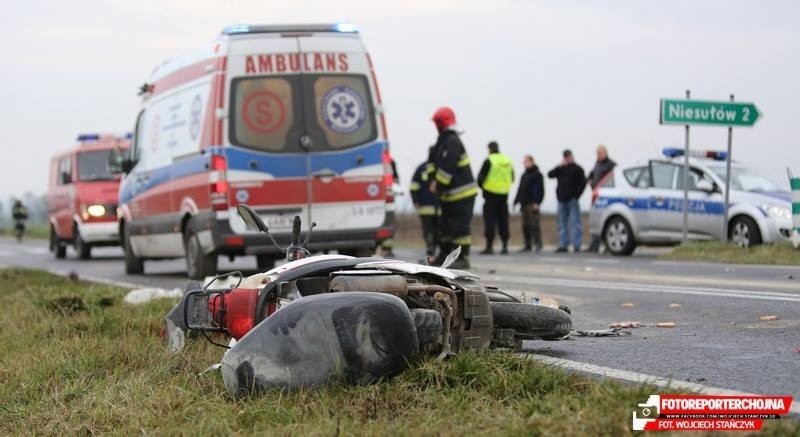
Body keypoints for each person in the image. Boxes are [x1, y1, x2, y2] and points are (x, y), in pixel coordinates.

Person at [427, 106, 478, 269]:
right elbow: (434, 164)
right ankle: (444, 256)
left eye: (437, 122)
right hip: (449, 195)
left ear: (443, 123)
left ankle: (463, 258)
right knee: (445, 228)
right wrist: (432, 180)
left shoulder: (452, 142)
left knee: (459, 229)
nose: (436, 125)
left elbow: (447, 168)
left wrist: (438, 183)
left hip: (462, 195)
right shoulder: (443, 142)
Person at [477, 141, 514, 255]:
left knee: (490, 221)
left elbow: (480, 178)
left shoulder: (490, 160)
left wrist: (483, 187)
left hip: (490, 195)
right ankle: (505, 246)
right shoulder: (507, 160)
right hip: (504, 195)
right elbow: (512, 177)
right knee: (503, 221)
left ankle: (489, 247)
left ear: (489, 149)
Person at [547, 150, 586, 253]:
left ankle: (577, 245)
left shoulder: (578, 169)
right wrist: (559, 166)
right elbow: (550, 175)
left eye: (568, 157)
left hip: (572, 200)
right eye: (565, 157)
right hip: (561, 199)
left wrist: (576, 196)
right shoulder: (561, 169)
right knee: (561, 223)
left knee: (575, 222)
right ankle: (563, 244)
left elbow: (583, 183)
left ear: (572, 157)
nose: (567, 159)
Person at [586, 145, 616, 252]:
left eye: (599, 153)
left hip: (606, 196)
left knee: (605, 221)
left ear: (604, 153)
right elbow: (592, 174)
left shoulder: (611, 165)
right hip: (597, 195)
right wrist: (589, 180)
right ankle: (594, 245)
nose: (597, 155)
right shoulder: (597, 164)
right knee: (596, 220)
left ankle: (607, 246)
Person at [513, 155, 544, 252]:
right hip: (524, 203)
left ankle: (538, 244)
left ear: (532, 162)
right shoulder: (524, 175)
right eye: (524, 162)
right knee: (525, 225)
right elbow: (520, 189)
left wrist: (537, 202)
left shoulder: (537, 174)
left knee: (534, 224)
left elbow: (540, 190)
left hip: (533, 203)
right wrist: (516, 201)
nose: (525, 164)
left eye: (526, 161)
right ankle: (528, 244)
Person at [410, 156, 439, 257]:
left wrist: (415, 200)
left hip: (424, 206)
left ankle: (430, 247)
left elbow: (413, 186)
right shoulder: (440, 167)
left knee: (428, 229)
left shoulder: (421, 168)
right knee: (437, 229)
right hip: (438, 206)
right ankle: (433, 247)